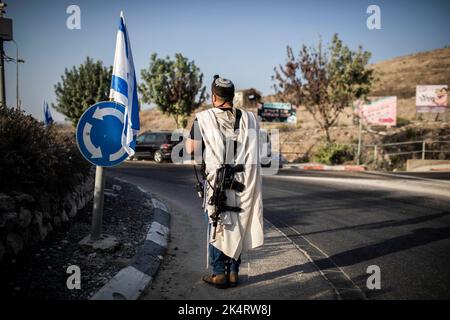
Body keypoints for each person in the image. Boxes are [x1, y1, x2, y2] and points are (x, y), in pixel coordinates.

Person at [186, 75, 264, 289]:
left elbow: (191, 148)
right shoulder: (249, 119)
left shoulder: (203, 118)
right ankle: (233, 272)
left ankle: (219, 273)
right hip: (244, 182)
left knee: (217, 222)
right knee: (237, 223)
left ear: (214, 97)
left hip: (217, 182)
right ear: (232, 97)